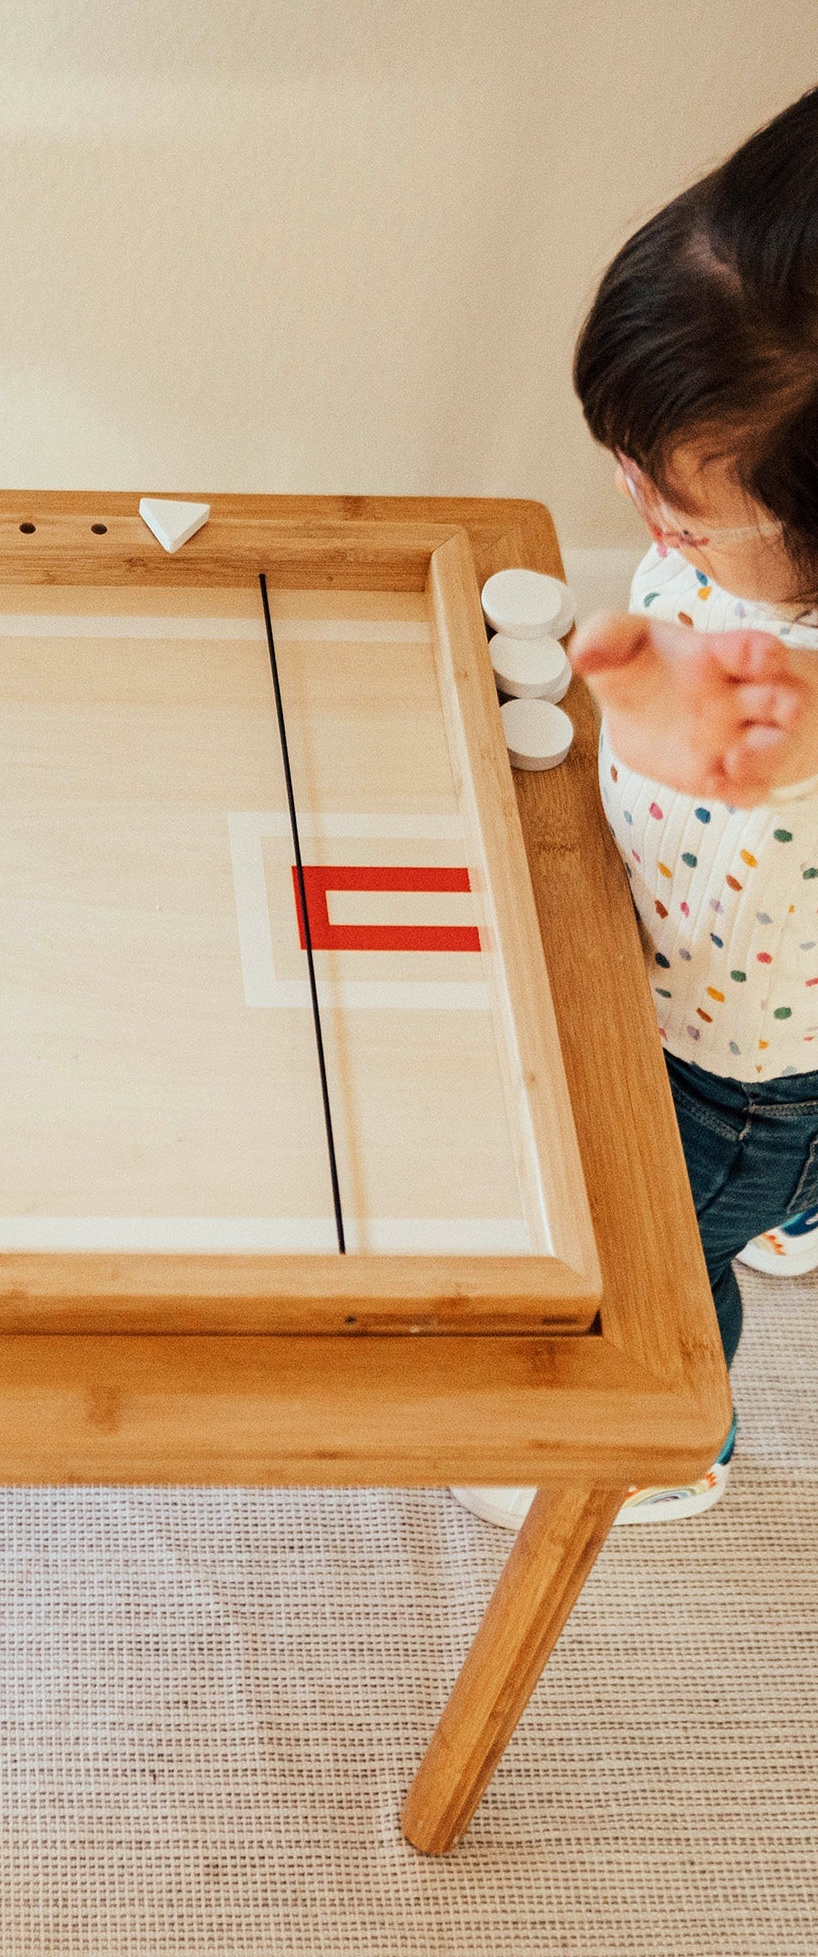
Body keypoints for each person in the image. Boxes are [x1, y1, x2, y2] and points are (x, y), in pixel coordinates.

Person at [455, 82, 818, 1529]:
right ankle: (799, 1205)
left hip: (723, 1065)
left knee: (662, 1249)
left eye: (677, 516)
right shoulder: (753, 562)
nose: (638, 513)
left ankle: (680, 1448)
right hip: (747, 1000)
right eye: (627, 468)